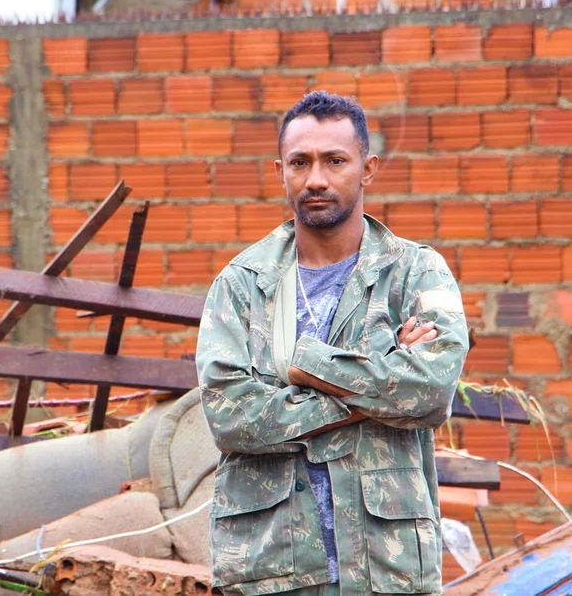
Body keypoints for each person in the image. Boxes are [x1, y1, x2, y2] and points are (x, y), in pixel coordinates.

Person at [195, 90, 470, 596]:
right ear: (281, 170)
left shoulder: (413, 272)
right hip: (272, 569)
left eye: (335, 160)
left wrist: (305, 365)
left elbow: (430, 393)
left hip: (387, 571)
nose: (316, 178)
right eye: (300, 162)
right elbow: (230, 418)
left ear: (367, 169)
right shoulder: (242, 284)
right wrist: (378, 385)